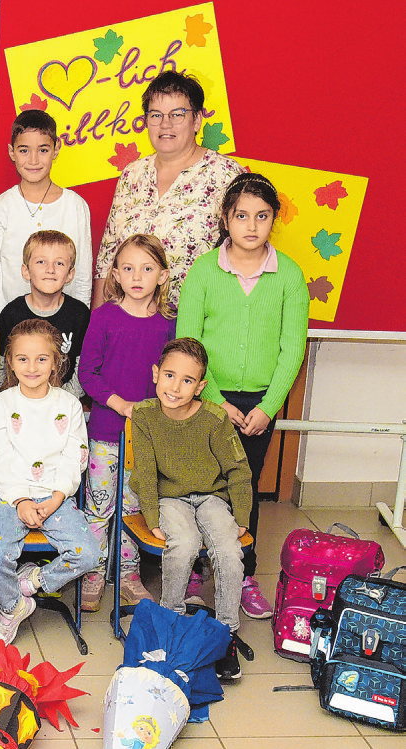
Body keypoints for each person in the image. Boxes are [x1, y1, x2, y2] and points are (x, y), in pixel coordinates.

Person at [176, 173, 309, 619]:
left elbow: (293, 347)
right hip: (206, 396)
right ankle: (197, 568)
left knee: (243, 488)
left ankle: (244, 574)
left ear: (274, 220)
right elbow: (188, 342)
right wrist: (212, 399)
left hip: (259, 402)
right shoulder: (204, 270)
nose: (251, 225)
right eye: (241, 215)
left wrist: (268, 407)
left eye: (262, 216)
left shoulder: (288, 274)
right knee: (199, 483)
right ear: (226, 219)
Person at [130, 338, 251, 680]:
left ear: (200, 386)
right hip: (169, 498)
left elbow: (238, 471)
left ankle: (225, 634)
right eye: (169, 375)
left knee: (228, 549)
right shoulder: (144, 415)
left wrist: (240, 517)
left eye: (187, 380)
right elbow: (146, 472)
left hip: (212, 497)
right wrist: (152, 517)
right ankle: (172, 624)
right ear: (156, 374)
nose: (175, 387)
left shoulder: (214, 418)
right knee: (181, 545)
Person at [0, 320, 96, 645]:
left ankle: (28, 583)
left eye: (42, 358)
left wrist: (57, 498)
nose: (32, 367)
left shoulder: (68, 405)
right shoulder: (3, 404)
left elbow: (76, 457)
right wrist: (20, 500)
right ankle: (12, 606)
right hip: (8, 495)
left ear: (57, 361)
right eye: (22, 359)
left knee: (88, 554)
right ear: (11, 363)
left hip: (55, 496)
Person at [77, 233, 175, 611]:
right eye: (128, 268)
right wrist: (121, 405)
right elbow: (88, 373)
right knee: (99, 507)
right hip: (104, 432)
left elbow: (173, 375)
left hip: (147, 439)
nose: (137, 276)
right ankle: (93, 572)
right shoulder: (103, 317)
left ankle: (128, 574)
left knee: (135, 509)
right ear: (115, 274)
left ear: (162, 276)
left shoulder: (169, 324)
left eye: (147, 269)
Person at [93, 71, 244, 309]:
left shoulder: (226, 174)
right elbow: (106, 260)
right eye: (156, 115)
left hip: (197, 325)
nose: (166, 124)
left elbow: (246, 256)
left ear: (197, 120)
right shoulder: (132, 175)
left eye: (177, 114)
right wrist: (98, 329)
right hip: (131, 327)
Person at [0, 110, 92, 319]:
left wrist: (79, 323)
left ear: (56, 149)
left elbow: (83, 275)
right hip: (11, 325)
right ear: (12, 152)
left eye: (43, 150)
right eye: (24, 150)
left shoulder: (76, 206)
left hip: (62, 327)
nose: (33, 160)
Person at [0, 230, 91, 398]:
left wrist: (61, 401)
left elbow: (83, 367)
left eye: (59, 263)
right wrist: (8, 399)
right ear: (26, 271)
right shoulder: (11, 313)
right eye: (41, 262)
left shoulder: (80, 315)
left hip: (64, 403)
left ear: (70, 274)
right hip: (16, 404)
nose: (50, 270)